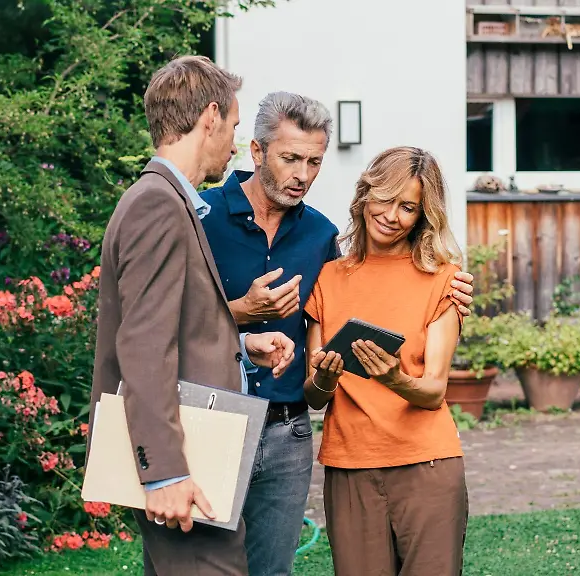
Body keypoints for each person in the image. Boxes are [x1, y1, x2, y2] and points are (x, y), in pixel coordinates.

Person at [199, 93, 475, 576]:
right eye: (291, 158)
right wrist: (241, 316)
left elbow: (429, 385)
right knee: (195, 565)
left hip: (303, 436)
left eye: (314, 161)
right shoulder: (203, 219)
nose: (302, 174)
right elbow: (162, 317)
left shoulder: (326, 243)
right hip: (217, 421)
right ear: (258, 152)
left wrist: (381, 375)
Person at [88, 55, 296, 576]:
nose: (232, 141)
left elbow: (167, 325)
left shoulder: (164, 199)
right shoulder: (157, 203)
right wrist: (165, 473)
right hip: (184, 465)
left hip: (194, 456)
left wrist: (240, 346)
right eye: (232, 124)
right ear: (210, 117)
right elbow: (141, 345)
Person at [303, 146, 469, 576]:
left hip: (427, 465)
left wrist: (395, 378)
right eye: (386, 197)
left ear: (422, 215)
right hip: (350, 467)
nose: (391, 215)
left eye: (408, 207)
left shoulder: (444, 280)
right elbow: (315, 397)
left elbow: (433, 391)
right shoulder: (328, 279)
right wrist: (325, 376)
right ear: (365, 193)